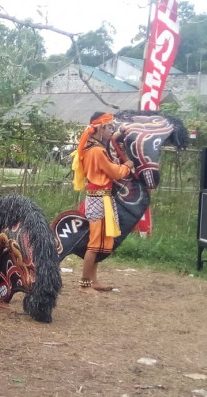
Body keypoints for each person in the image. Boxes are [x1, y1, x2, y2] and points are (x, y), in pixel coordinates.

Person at [71, 112, 134, 293]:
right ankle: (85, 283)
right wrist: (127, 166)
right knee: (95, 242)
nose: (111, 130)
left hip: (102, 197)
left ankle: (93, 281)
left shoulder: (96, 147)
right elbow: (113, 172)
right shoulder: (97, 150)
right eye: (109, 127)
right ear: (100, 127)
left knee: (102, 241)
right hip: (99, 199)